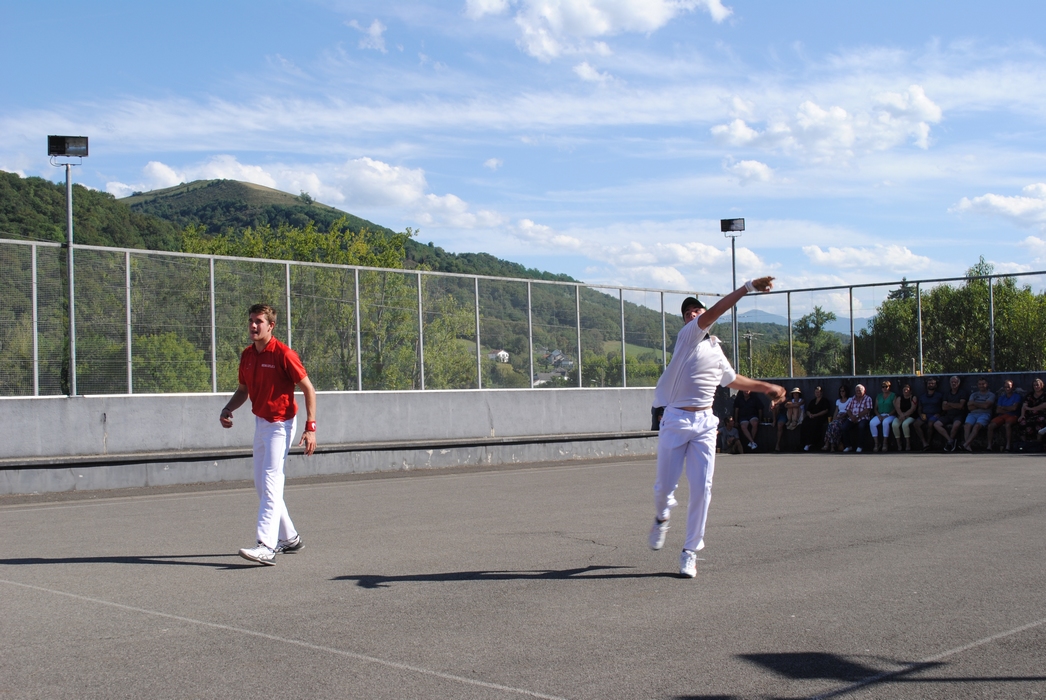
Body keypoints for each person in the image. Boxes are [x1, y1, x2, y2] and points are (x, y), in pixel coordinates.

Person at [649, 278, 785, 579]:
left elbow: (731, 379)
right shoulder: (688, 336)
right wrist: (747, 287)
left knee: (702, 488)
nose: (693, 315)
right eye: (688, 313)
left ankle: (690, 551)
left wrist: (766, 387)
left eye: (697, 311)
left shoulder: (714, 348)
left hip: (705, 424)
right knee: (663, 489)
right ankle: (661, 516)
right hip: (675, 420)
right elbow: (717, 311)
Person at [220, 303, 317, 566]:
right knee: (262, 485)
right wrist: (228, 409)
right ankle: (290, 538)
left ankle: (266, 546)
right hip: (261, 422)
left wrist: (310, 428)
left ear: (270, 326)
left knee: (272, 481)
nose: (253, 326)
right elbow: (243, 390)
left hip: (281, 424)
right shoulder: (247, 355)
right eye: (251, 320)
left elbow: (308, 389)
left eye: (259, 321)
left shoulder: (284, 354)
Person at [961, 377, 995, 452]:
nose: (981, 385)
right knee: (966, 426)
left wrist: (974, 403)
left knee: (977, 426)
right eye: (980, 384)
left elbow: (986, 406)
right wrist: (981, 404)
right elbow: (970, 407)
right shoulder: (973, 395)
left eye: (983, 384)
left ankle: (965, 444)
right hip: (972, 414)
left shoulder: (991, 395)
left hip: (985, 414)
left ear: (987, 384)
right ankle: (968, 446)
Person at [986, 379, 1020, 452]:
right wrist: (1009, 408)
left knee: (1007, 425)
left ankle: (1008, 446)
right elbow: (998, 410)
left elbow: (1014, 408)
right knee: (990, 426)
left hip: (1013, 415)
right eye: (1005, 387)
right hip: (1002, 416)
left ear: (1012, 387)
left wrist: (1003, 407)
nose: (1007, 389)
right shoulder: (1001, 398)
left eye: (1009, 387)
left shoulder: (1016, 396)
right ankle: (989, 446)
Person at [913, 377, 944, 450]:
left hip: (935, 415)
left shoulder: (940, 395)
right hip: (925, 414)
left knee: (930, 423)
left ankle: (929, 442)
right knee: (916, 424)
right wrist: (921, 414)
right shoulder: (922, 396)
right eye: (929, 383)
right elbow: (919, 408)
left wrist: (940, 414)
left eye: (932, 383)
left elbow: (944, 407)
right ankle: (924, 442)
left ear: (936, 385)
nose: (931, 385)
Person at [840, 383, 873, 453]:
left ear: (864, 391)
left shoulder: (868, 398)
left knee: (861, 426)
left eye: (860, 390)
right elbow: (848, 409)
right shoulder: (853, 398)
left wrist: (857, 416)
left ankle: (860, 446)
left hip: (863, 418)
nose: (858, 392)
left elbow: (867, 410)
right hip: (852, 417)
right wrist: (852, 417)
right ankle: (848, 446)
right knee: (844, 427)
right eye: (857, 390)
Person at [940, 376, 968, 451]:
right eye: (952, 382)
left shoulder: (962, 393)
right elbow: (944, 408)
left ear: (958, 383)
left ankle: (950, 442)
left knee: (956, 425)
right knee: (936, 424)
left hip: (959, 415)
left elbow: (960, 406)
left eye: (955, 382)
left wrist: (949, 404)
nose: (953, 383)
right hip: (948, 415)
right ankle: (950, 440)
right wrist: (956, 405)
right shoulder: (947, 393)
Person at [869, 380, 897, 453]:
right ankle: (876, 443)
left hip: (890, 415)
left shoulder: (893, 395)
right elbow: (875, 408)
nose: (884, 388)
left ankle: (885, 443)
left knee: (885, 422)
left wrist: (888, 415)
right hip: (880, 414)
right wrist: (878, 415)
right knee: (872, 423)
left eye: (886, 387)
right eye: (883, 387)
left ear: (889, 387)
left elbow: (895, 408)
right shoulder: (879, 396)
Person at [823, 385, 852, 452]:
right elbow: (836, 411)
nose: (841, 392)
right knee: (831, 425)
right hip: (838, 417)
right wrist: (834, 419)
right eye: (840, 391)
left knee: (834, 426)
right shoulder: (838, 401)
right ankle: (830, 445)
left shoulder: (850, 400)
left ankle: (830, 445)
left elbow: (849, 410)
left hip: (845, 416)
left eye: (843, 391)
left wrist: (841, 416)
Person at [802, 386, 831, 452]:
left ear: (821, 392)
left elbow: (826, 410)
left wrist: (816, 415)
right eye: (816, 392)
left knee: (814, 424)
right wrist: (810, 415)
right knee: (805, 423)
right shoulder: (812, 401)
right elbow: (808, 410)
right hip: (811, 416)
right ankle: (804, 443)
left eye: (818, 392)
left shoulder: (825, 401)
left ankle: (812, 443)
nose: (817, 393)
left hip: (820, 417)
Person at [890, 383, 919, 451]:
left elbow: (913, 409)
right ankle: (898, 443)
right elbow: (897, 408)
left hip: (911, 416)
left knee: (905, 424)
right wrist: (901, 415)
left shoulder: (913, 398)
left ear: (910, 391)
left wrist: (904, 415)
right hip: (900, 416)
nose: (905, 391)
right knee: (894, 424)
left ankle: (908, 443)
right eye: (904, 390)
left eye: (907, 390)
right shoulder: (899, 398)